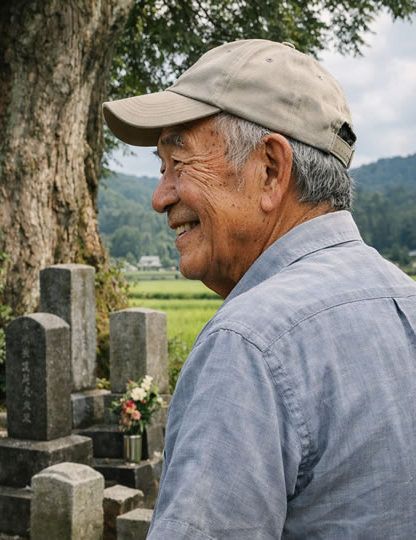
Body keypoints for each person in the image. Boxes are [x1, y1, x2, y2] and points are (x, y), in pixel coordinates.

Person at [103, 39, 416, 538]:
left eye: (178, 162)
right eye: (161, 169)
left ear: (270, 169)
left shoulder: (248, 346)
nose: (161, 197)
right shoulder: (406, 301)